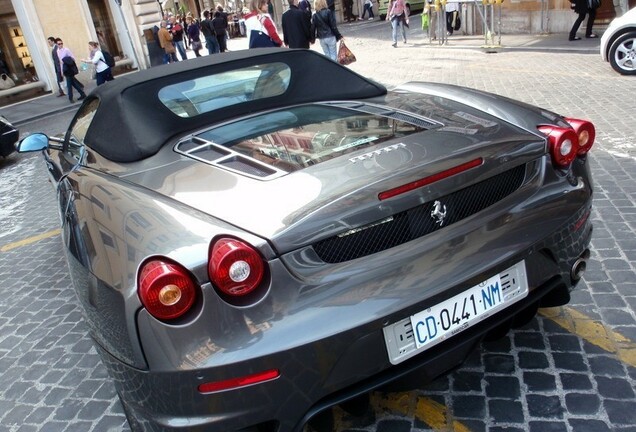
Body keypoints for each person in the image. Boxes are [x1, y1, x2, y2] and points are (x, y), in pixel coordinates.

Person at [55, 39, 86, 103]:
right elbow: (61, 63)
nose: (60, 45)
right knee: (73, 83)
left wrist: (66, 60)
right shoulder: (57, 51)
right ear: (57, 44)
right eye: (59, 44)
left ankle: (70, 98)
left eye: (61, 43)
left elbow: (73, 58)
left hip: (69, 69)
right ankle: (82, 94)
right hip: (64, 69)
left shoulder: (66, 50)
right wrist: (61, 72)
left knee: (69, 84)